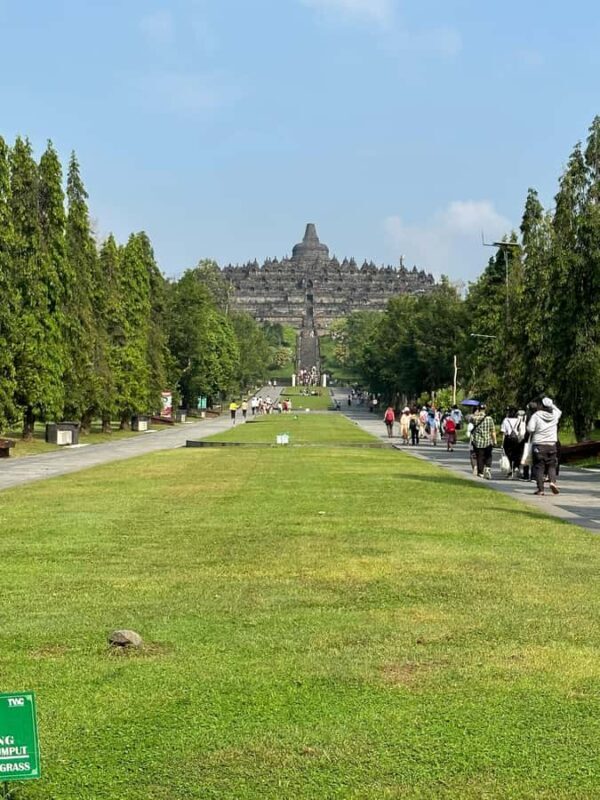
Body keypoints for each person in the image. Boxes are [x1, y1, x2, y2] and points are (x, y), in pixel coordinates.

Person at [527, 397, 562, 496]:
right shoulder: (555, 415)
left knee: (539, 467)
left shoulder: (536, 415)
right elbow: (559, 411)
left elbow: (530, 429)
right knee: (551, 465)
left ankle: (541, 489)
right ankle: (552, 482)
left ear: (541, 405)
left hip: (539, 445)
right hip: (552, 445)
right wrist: (551, 404)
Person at [471, 404, 497, 479]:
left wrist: (476, 414)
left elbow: (469, 419)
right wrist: (494, 441)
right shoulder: (489, 418)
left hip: (477, 441)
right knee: (488, 455)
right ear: (485, 409)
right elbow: (492, 431)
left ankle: (481, 472)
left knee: (480, 456)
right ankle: (488, 468)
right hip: (488, 441)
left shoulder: (474, 418)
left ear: (478, 409)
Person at [501, 407, 525, 478]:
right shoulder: (519, 420)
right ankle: (516, 467)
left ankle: (510, 469)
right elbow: (522, 430)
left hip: (508, 439)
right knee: (517, 454)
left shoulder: (506, 420)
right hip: (517, 439)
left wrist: (502, 443)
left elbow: (504, 432)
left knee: (508, 455)